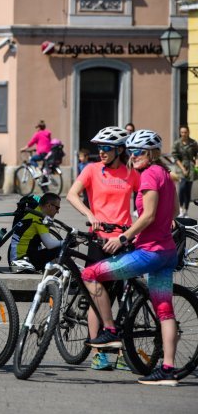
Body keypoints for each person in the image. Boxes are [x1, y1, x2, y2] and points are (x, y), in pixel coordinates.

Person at [80, 129, 180, 385]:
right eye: (132, 151)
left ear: (151, 153)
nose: (133, 156)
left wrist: (124, 238)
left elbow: (147, 215)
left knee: (90, 274)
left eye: (138, 152)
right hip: (167, 252)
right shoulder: (166, 175)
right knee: (165, 310)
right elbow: (175, 211)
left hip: (150, 253)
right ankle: (168, 369)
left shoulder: (148, 175)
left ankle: (110, 330)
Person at [66, 126, 139, 370]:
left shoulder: (131, 173)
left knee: (122, 297)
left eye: (106, 148)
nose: (102, 152)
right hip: (99, 240)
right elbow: (72, 195)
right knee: (97, 295)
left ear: (120, 150)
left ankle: (121, 355)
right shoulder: (92, 169)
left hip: (124, 240)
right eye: (99, 147)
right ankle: (98, 351)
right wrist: (90, 214)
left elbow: (144, 198)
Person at [10, 193, 62, 272]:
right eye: (57, 208)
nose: (58, 212)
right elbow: (49, 244)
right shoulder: (39, 219)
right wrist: (66, 242)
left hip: (18, 258)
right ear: (49, 206)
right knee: (61, 249)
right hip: (24, 261)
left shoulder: (36, 212)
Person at [172, 126, 198, 217]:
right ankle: (179, 208)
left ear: (188, 132)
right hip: (180, 167)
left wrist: (196, 163)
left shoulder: (193, 143)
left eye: (185, 132)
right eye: (182, 132)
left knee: (188, 190)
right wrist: (182, 168)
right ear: (180, 133)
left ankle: (186, 210)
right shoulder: (177, 143)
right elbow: (175, 156)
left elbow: (196, 154)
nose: (184, 134)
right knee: (182, 188)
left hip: (191, 167)